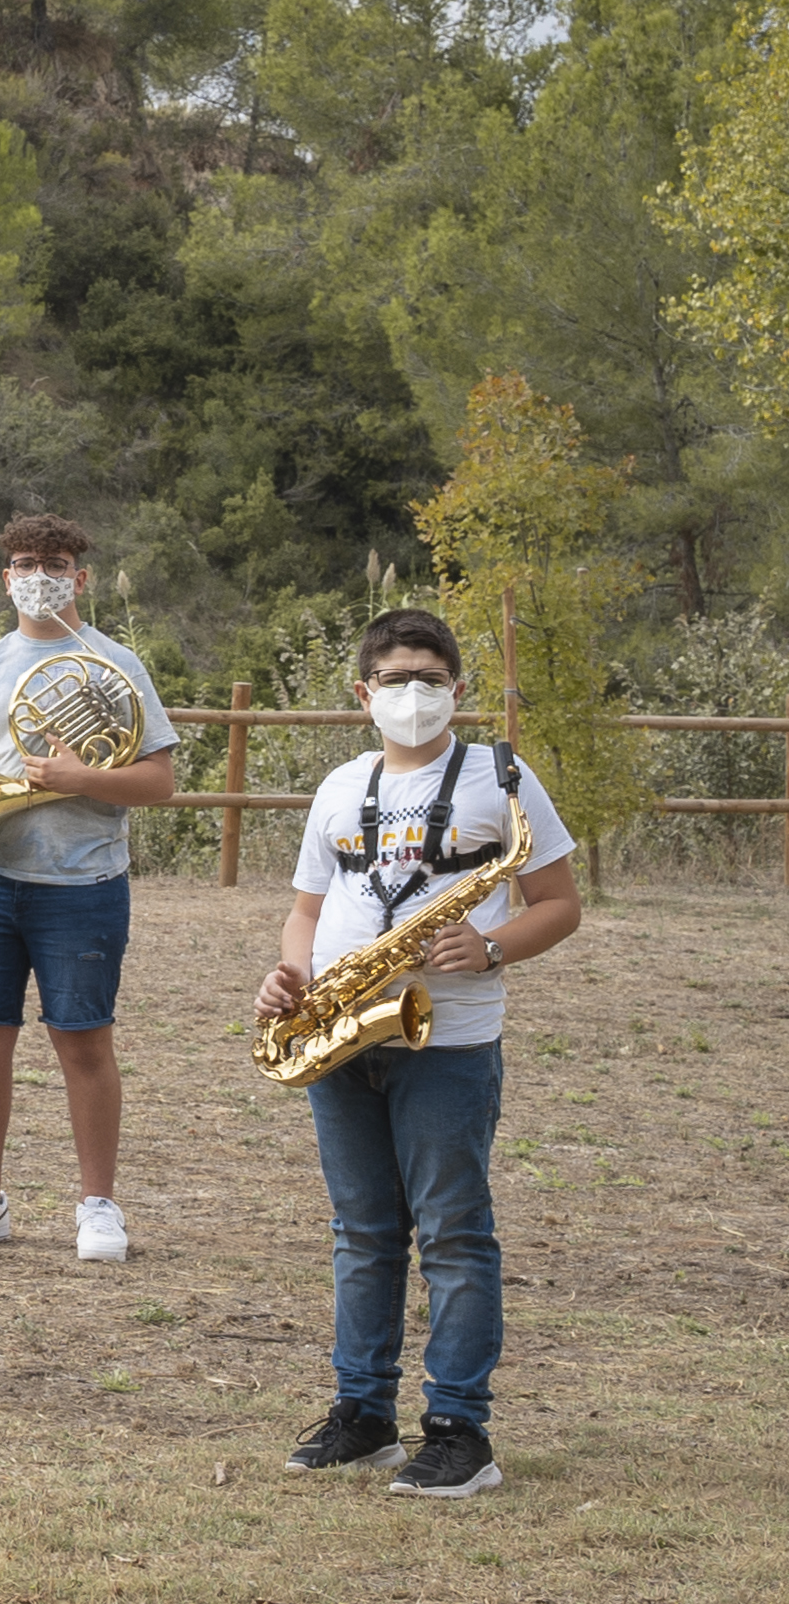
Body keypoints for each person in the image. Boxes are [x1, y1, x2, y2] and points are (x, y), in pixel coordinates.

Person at [255, 608, 577, 1500]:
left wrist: (494, 946)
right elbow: (308, 912)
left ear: (458, 690)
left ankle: (458, 1428)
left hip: (449, 1039)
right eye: (395, 679)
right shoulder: (338, 785)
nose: (413, 694)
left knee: (453, 1233)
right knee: (361, 1232)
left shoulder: (500, 782)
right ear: (364, 693)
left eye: (429, 678)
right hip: (340, 1030)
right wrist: (289, 973)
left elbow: (559, 900)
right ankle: (363, 1414)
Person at [0, 513, 179, 1263]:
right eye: (24, 562)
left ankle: (97, 1207)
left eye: (54, 562)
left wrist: (83, 777)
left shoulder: (116, 665)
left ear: (80, 576)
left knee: (84, 1043)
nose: (39, 574)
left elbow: (159, 779)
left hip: (81, 880)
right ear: (6, 577)